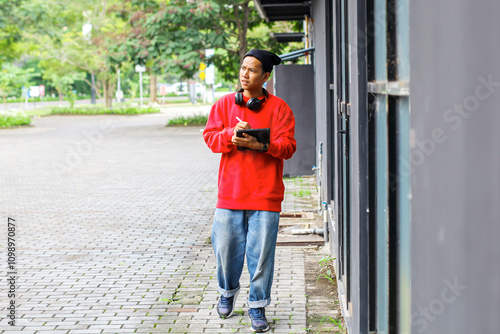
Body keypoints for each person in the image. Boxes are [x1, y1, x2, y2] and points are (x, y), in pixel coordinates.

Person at [203, 49, 296, 333]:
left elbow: (289, 147)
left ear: (265, 76)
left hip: (266, 196)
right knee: (226, 250)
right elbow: (210, 138)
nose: (245, 74)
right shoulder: (223, 105)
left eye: (253, 70)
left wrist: (264, 145)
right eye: (243, 68)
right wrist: (231, 134)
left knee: (261, 256)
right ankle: (227, 293)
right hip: (230, 194)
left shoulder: (280, 108)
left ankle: (257, 306)